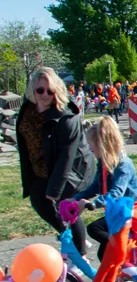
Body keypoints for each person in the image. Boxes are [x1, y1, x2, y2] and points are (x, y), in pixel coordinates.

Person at [16, 67, 95, 257]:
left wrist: (54, 191)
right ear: (33, 90)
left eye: (50, 91)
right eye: (40, 90)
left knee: (66, 207)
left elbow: (66, 158)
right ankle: (68, 235)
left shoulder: (66, 118)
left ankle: (80, 254)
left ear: (57, 91)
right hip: (42, 167)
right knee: (39, 202)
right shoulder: (27, 110)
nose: (44, 95)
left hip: (74, 169)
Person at [75, 116, 137, 260]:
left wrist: (93, 203)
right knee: (103, 255)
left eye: (92, 144)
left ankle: (124, 248)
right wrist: (75, 198)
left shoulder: (123, 164)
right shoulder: (103, 163)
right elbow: (95, 186)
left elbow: (117, 192)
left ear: (102, 144)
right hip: (118, 213)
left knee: (94, 228)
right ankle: (117, 275)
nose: (90, 148)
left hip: (132, 213)